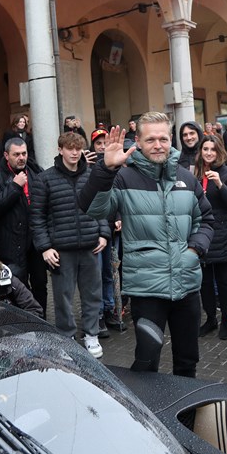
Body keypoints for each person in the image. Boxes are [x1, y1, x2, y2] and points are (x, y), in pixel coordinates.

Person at [79, 112, 214, 377]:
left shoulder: (187, 179)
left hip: (186, 285)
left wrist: (194, 249)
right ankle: (146, 417)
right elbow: (92, 209)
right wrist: (105, 170)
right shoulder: (123, 178)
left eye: (163, 138)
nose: (158, 144)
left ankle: (184, 417)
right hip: (146, 289)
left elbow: (206, 220)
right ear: (138, 142)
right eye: (150, 139)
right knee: (146, 361)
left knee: (188, 362)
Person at [30, 132, 110, 357]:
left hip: (89, 245)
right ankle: (67, 337)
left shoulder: (92, 175)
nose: (74, 152)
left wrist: (103, 233)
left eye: (78, 148)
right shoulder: (44, 179)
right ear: (60, 150)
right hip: (61, 249)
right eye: (70, 148)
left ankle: (91, 335)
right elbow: (37, 217)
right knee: (63, 298)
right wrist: (45, 247)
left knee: (93, 294)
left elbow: (102, 207)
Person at [0, 137, 48, 314]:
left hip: (35, 240)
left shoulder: (36, 172)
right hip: (11, 241)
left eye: (24, 154)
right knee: (18, 286)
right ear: (6, 155)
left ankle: (42, 320)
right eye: (16, 154)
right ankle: (23, 323)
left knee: (40, 284)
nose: (21, 158)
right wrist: (14, 186)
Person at [195, 135, 227, 340]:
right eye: (205, 149)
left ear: (219, 151)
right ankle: (211, 319)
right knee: (204, 281)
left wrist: (220, 185)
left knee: (223, 280)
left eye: (212, 149)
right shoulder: (195, 173)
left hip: (222, 233)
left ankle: (226, 320)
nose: (209, 153)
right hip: (200, 233)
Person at [89, 128, 126, 335]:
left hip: (113, 227)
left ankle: (111, 308)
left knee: (110, 272)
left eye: (104, 143)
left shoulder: (118, 166)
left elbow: (120, 193)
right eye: (98, 143)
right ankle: (99, 314)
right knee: (96, 273)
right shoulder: (90, 168)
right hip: (94, 229)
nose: (102, 146)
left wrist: (119, 217)